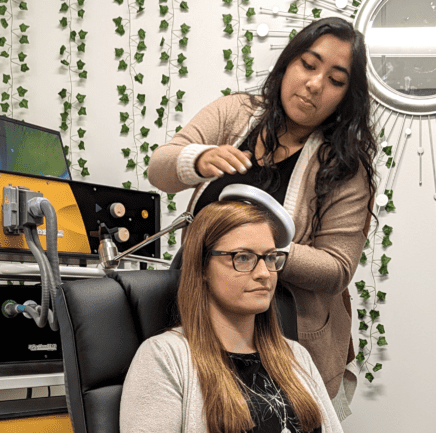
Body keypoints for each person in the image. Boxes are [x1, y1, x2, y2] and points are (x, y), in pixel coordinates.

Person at [147, 17, 376, 418]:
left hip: (287, 336)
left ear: (346, 96)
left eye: (336, 80)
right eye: (308, 64)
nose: (315, 84)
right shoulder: (234, 113)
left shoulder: (345, 167)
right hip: (197, 317)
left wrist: (261, 251)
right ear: (288, 63)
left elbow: (337, 267)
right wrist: (199, 159)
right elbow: (159, 168)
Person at [119, 201, 343, 433]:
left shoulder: (296, 356)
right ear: (202, 267)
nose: (264, 274)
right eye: (243, 258)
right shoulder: (165, 357)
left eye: (270, 257)